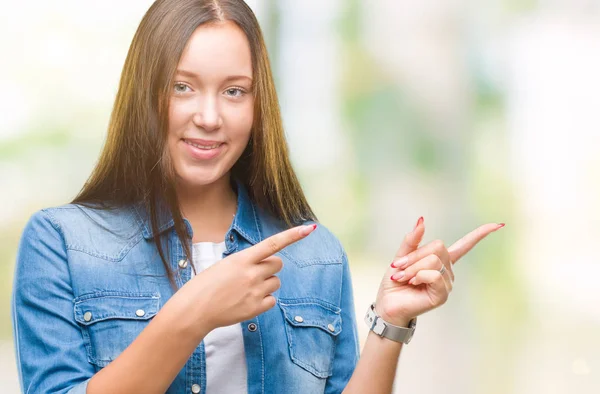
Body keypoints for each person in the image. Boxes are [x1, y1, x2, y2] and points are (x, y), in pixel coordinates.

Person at [10, 1, 504, 393]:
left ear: (258, 102)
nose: (209, 116)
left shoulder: (314, 253)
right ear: (145, 93)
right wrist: (194, 312)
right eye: (182, 87)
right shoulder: (61, 242)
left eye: (234, 92)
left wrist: (390, 323)